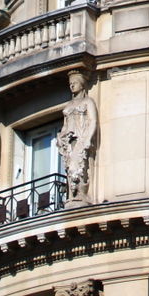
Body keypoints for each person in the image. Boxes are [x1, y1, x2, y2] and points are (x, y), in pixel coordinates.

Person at [57, 70, 99, 204]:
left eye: (74, 83)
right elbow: (65, 125)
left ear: (82, 84)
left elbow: (93, 121)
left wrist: (87, 139)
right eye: (70, 83)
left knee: (79, 165)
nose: (72, 86)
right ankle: (73, 194)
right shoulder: (68, 105)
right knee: (70, 166)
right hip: (69, 141)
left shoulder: (88, 102)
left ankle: (81, 193)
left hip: (81, 138)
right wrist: (60, 136)